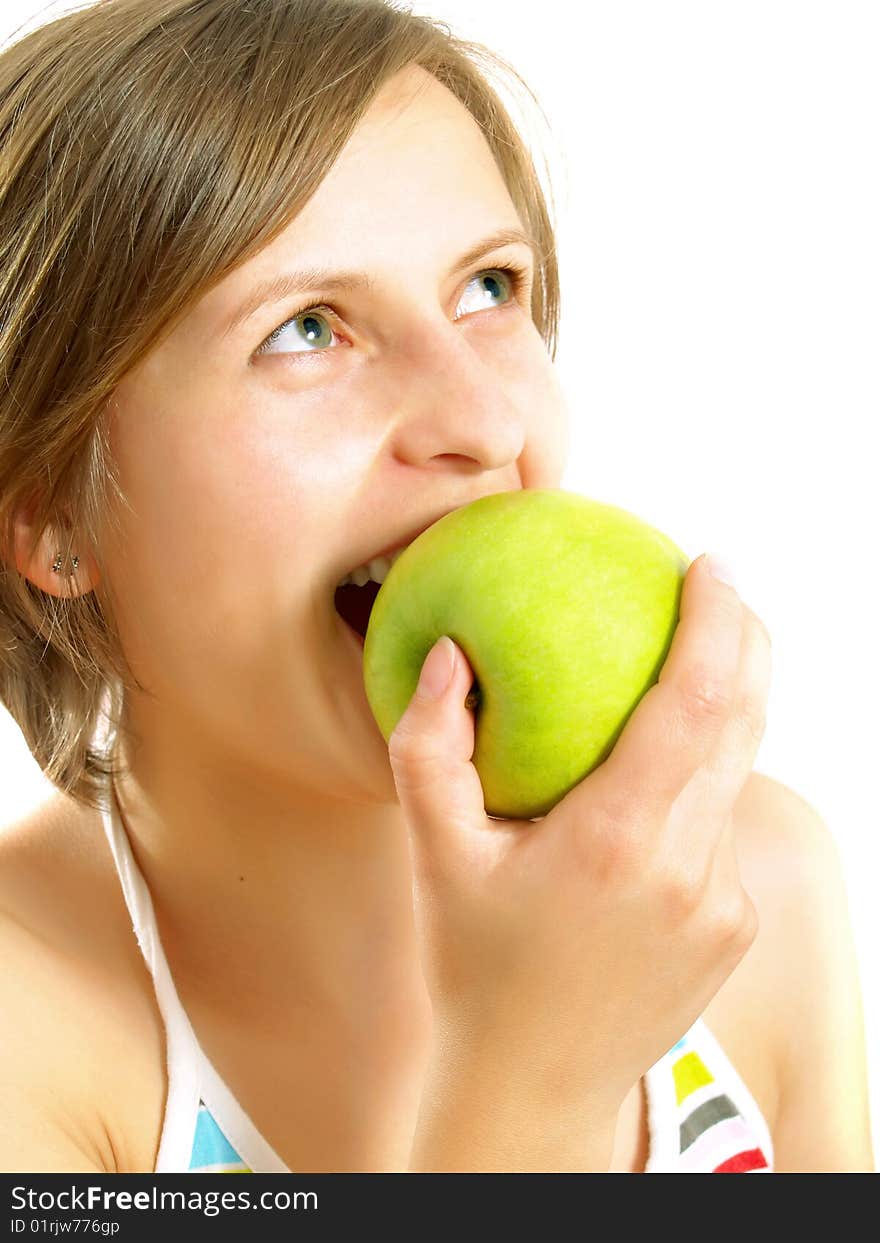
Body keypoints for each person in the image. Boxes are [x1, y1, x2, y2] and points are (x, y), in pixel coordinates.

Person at [0, 0, 873, 1175]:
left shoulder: (740, 893)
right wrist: (532, 1079)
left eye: (488, 289)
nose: (482, 418)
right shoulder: (31, 1029)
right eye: (306, 329)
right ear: (53, 507)